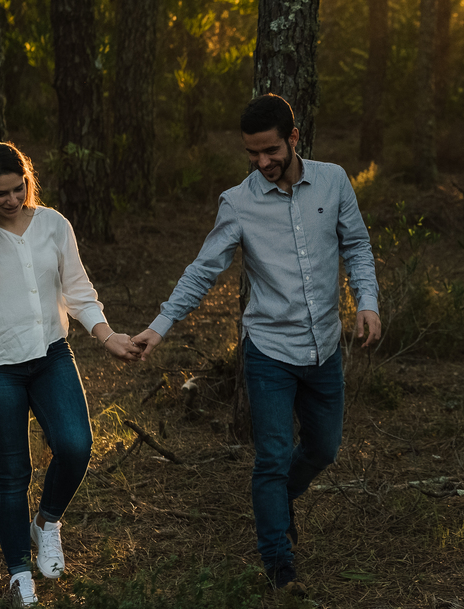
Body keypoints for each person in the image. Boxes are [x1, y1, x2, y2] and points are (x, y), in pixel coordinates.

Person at [131, 94, 381, 594]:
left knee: (323, 447)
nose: (262, 162)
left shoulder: (333, 181)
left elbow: (356, 244)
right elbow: (203, 270)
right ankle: (279, 566)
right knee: (271, 457)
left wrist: (367, 302)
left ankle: (277, 502)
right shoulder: (238, 203)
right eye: (252, 153)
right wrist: (159, 326)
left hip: (325, 346)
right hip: (268, 351)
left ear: (293, 138)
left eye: (271, 150)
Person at [0, 142, 140, 607]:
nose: (12, 199)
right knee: (12, 474)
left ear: (27, 180)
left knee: (76, 445)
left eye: (19, 188)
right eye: (1, 193)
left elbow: (79, 290)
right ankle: (19, 575)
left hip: (52, 356)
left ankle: (47, 522)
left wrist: (108, 336)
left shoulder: (53, 224)